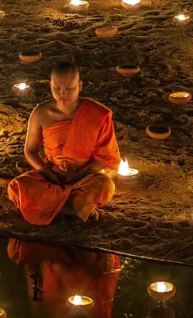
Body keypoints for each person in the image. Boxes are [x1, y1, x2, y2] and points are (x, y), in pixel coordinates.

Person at [7, 62, 119, 225]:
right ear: (50, 85)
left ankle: (56, 208)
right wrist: (48, 174)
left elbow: (105, 156)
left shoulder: (98, 113)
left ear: (80, 86)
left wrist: (78, 175)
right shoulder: (41, 113)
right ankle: (75, 210)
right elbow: (30, 151)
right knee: (17, 186)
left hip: (84, 175)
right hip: (52, 172)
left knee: (104, 185)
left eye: (69, 88)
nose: (62, 93)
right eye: (56, 88)